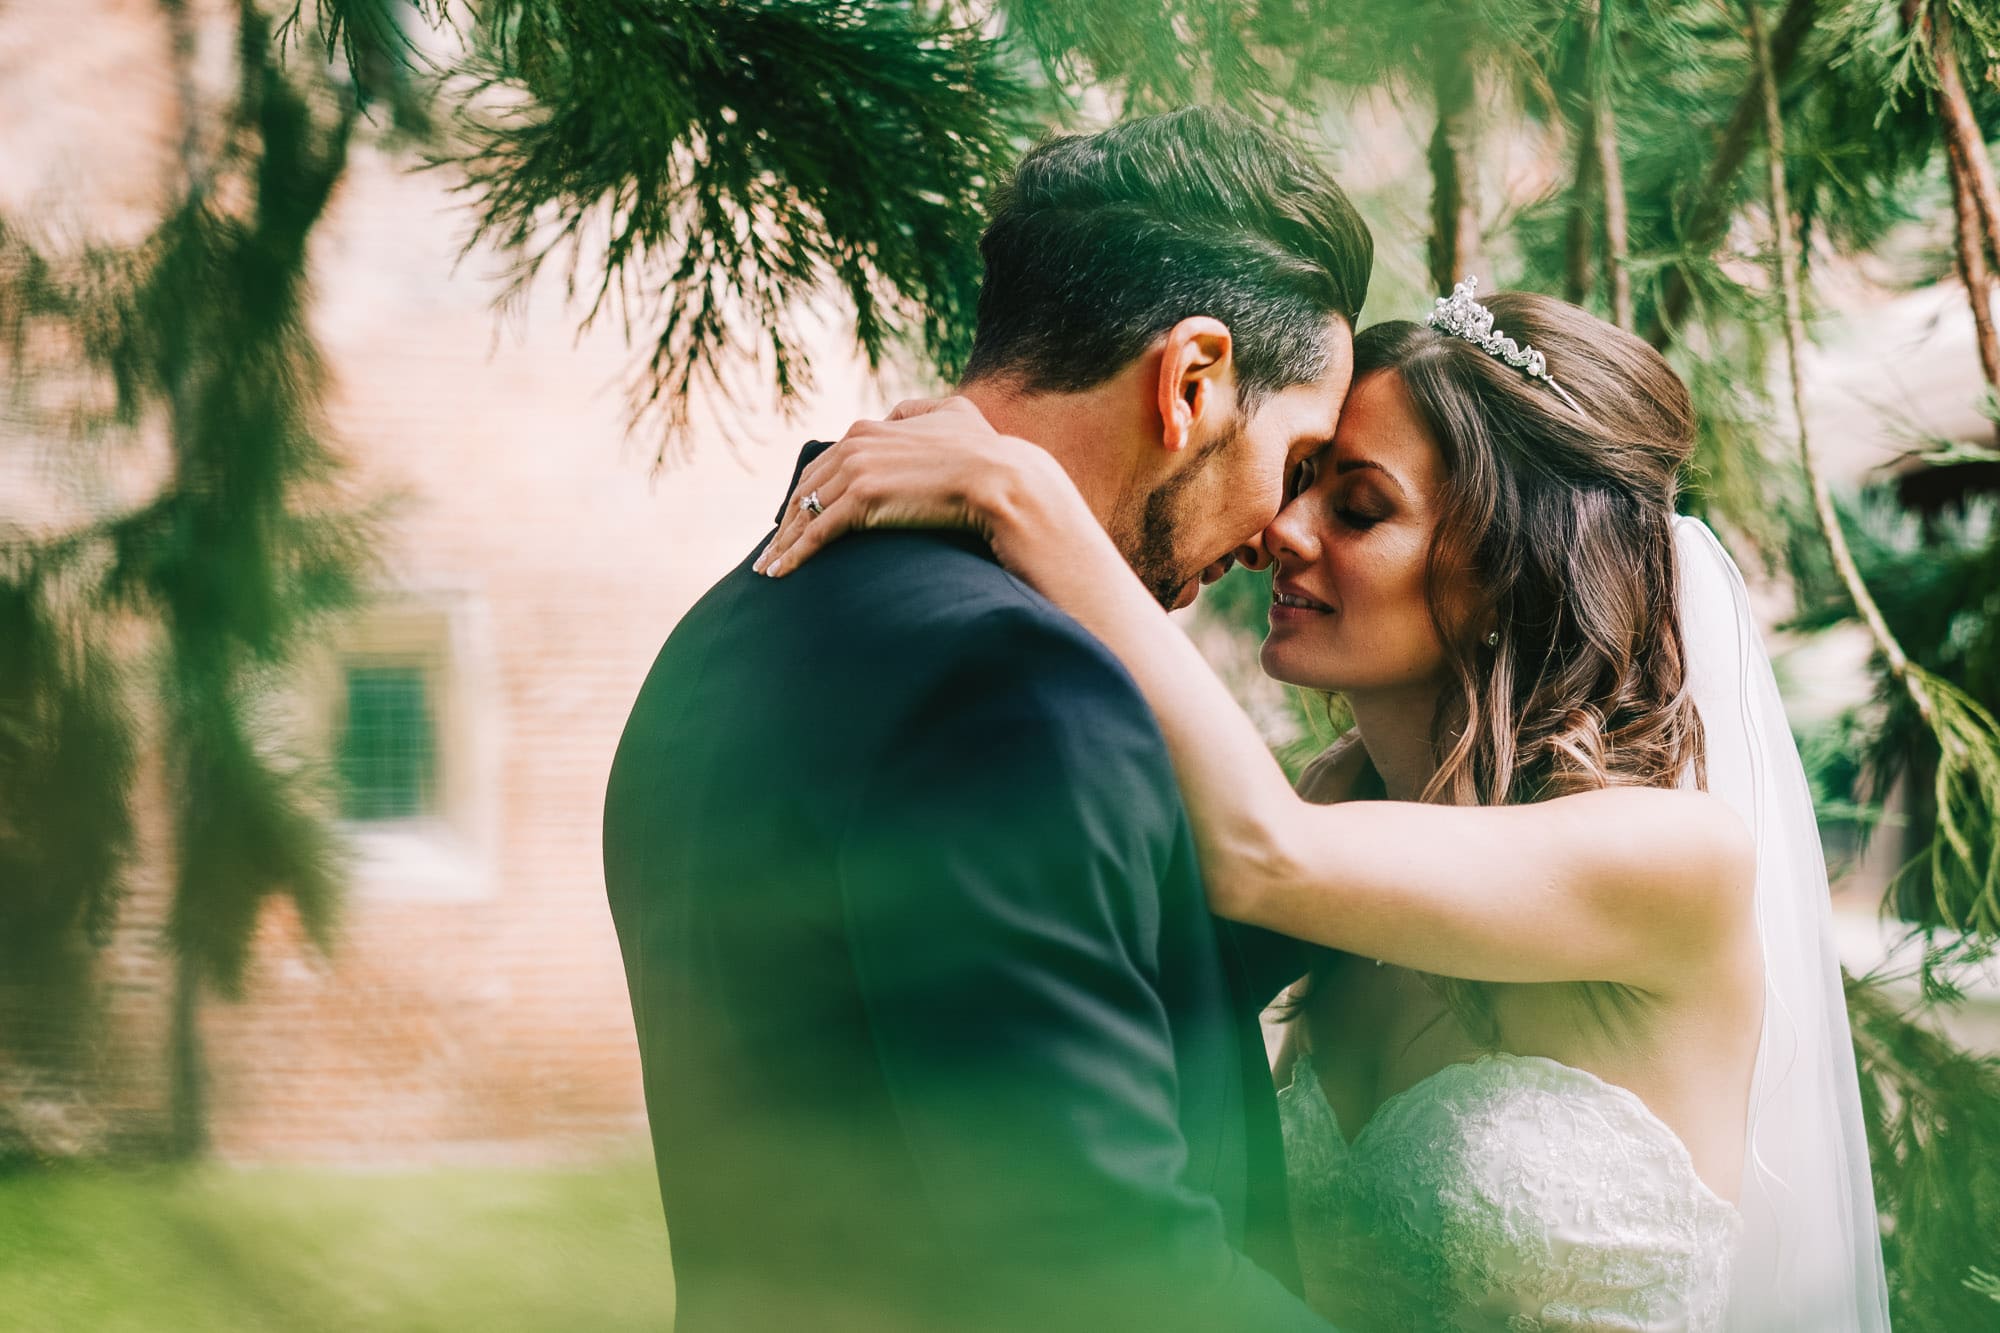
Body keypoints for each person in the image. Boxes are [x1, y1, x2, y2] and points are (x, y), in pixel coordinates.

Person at [761, 280, 1891, 1331]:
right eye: (1300, 480)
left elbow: (1261, 854)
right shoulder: (1341, 804)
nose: (1280, 533)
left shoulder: (1673, 858)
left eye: (1356, 507)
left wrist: (1021, 492)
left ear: (1508, 571)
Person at [602, 106, 1372, 1332]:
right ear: (1189, 380)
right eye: (1296, 461)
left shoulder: (735, 624)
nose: (1279, 532)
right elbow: (1114, 1274)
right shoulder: (1015, 688)